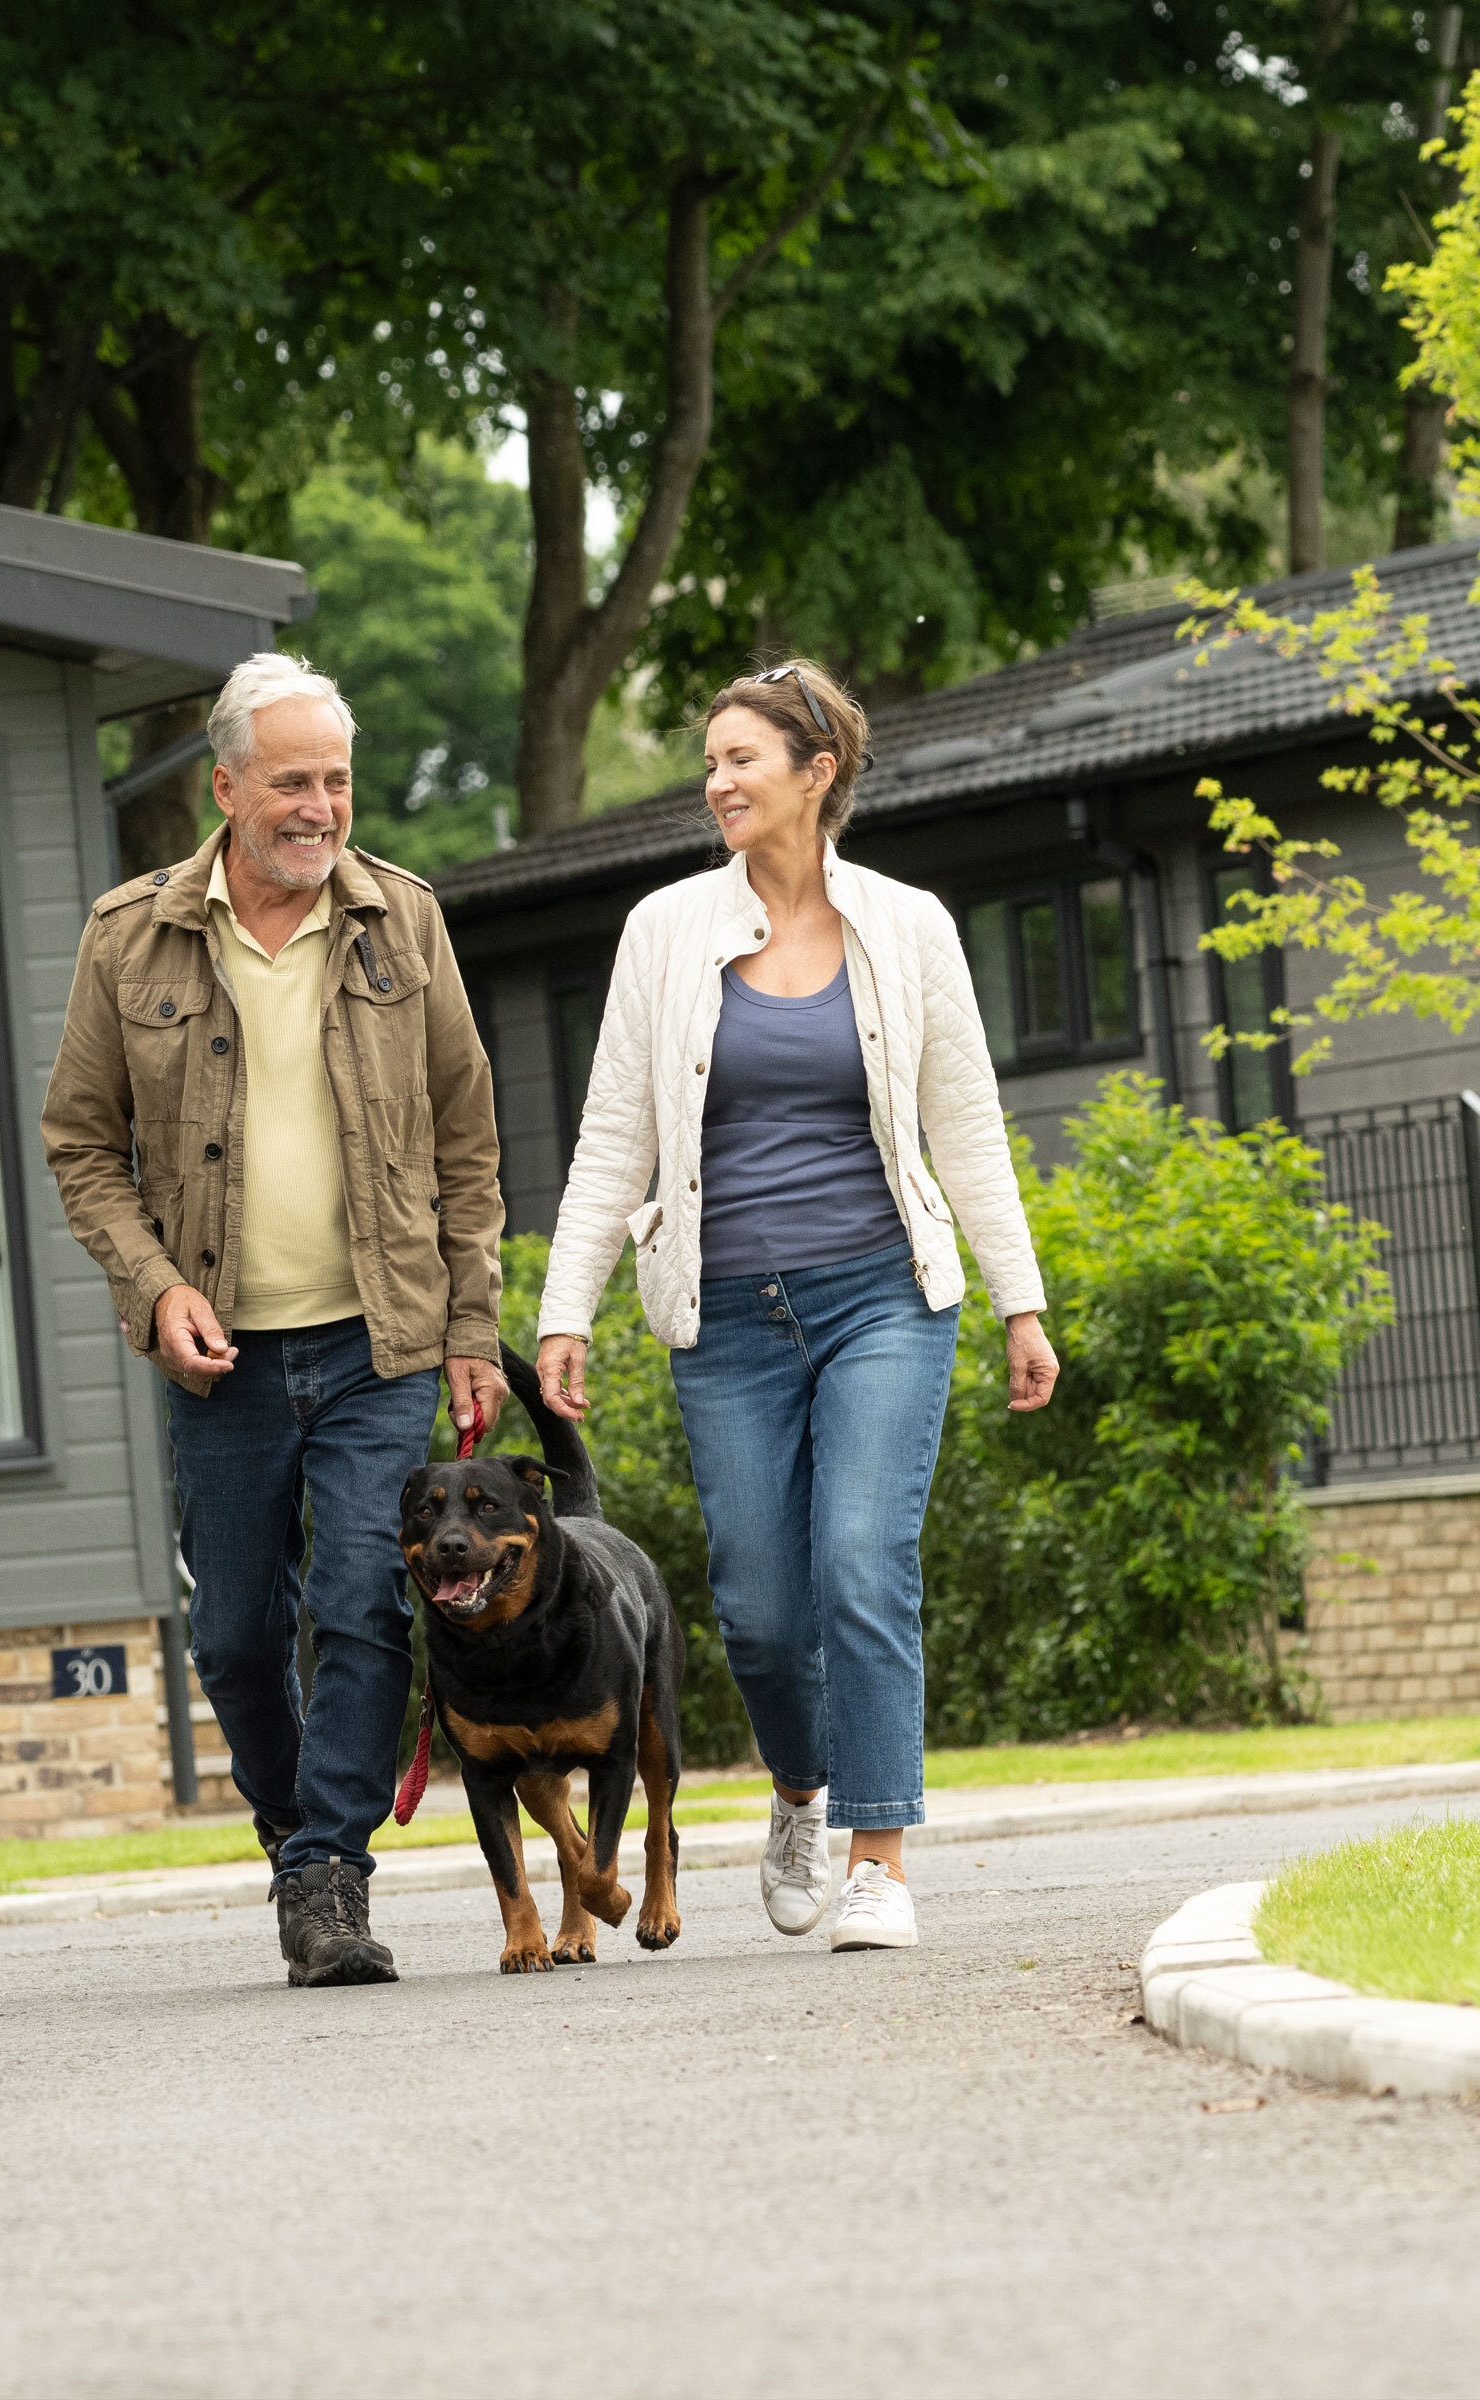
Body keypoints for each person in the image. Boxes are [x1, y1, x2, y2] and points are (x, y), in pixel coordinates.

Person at [532, 659, 1059, 1953]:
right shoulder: (665, 931)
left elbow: (967, 1128)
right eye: (708, 762)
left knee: (863, 1561)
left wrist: (1020, 1301)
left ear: (816, 774)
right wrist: (568, 1310)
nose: (715, 783)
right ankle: (801, 1789)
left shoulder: (908, 926)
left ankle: (879, 1855)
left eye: (740, 761)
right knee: (762, 1607)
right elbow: (612, 1137)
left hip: (884, 1293)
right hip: (727, 1319)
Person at [44, 653, 509, 1988]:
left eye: (338, 782)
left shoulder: (404, 925)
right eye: (294, 781)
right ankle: (297, 1827)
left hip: (381, 1338)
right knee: (240, 1630)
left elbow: (469, 1143)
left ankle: (327, 1873)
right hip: (225, 1354)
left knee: (369, 1600)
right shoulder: (127, 936)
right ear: (226, 786)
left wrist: (471, 1326)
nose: (321, 808)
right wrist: (157, 1287)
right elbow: (82, 1144)